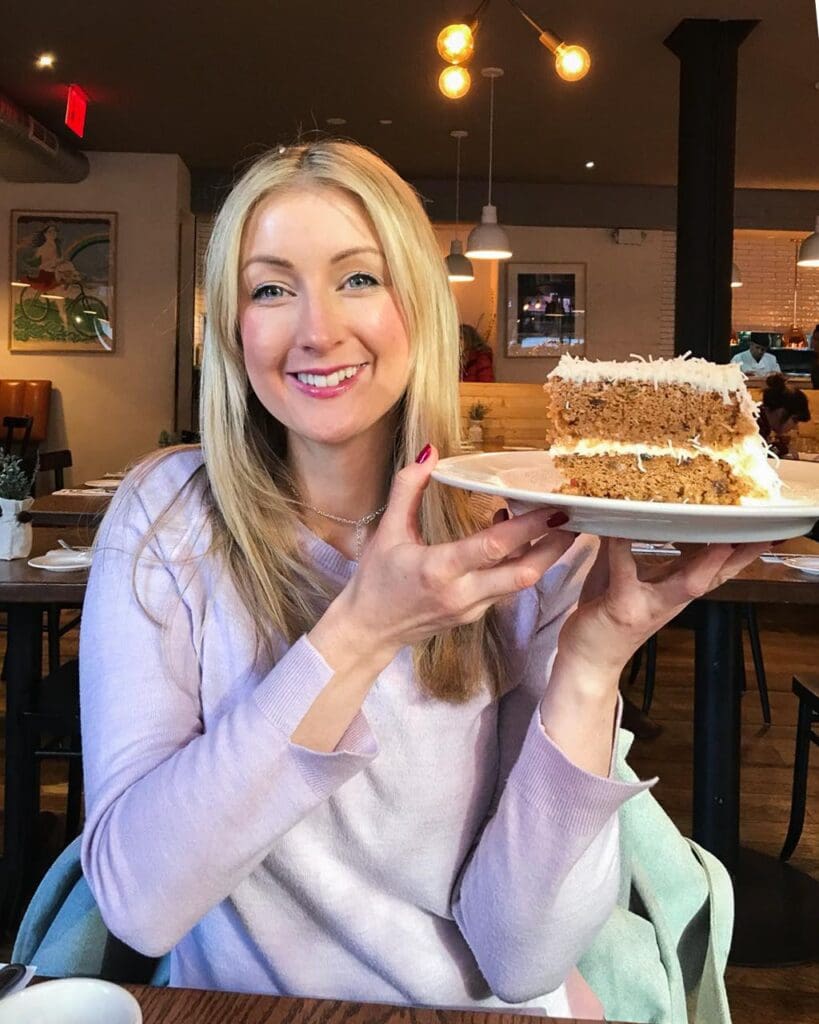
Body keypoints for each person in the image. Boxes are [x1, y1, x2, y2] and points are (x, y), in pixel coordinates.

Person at [79, 140, 768, 1018]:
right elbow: (139, 904)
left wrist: (592, 665)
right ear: (230, 325)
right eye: (270, 287)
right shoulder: (166, 518)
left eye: (358, 279)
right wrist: (362, 630)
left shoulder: (517, 534)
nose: (317, 329)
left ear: (418, 304)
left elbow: (520, 957)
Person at [757, 373, 811, 457]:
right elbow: (759, 456)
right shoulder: (751, 428)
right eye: (794, 420)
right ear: (780, 411)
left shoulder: (761, 423)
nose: (794, 427)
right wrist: (783, 449)